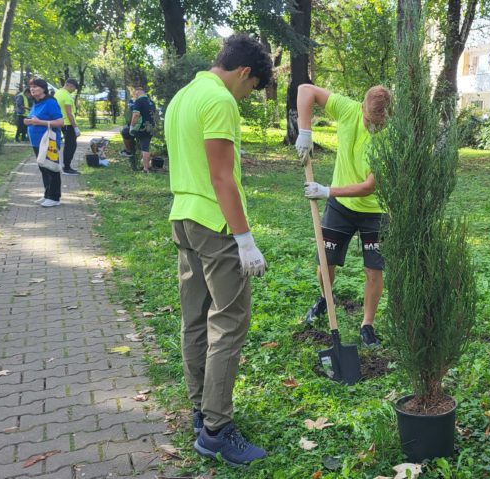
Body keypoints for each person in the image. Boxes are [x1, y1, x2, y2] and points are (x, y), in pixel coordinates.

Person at [166, 34, 273, 467]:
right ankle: (216, 430)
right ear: (244, 72)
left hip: (183, 217)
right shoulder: (219, 100)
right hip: (215, 224)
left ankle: (201, 411)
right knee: (229, 322)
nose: (247, 97)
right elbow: (222, 177)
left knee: (194, 320)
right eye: (252, 88)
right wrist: (244, 240)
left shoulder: (183, 96)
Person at [295, 84, 392, 347]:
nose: (375, 128)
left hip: (375, 210)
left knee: (374, 270)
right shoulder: (347, 109)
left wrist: (327, 191)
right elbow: (305, 90)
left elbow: (370, 186)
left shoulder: (391, 136)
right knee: (325, 263)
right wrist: (305, 132)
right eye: (371, 122)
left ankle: (367, 325)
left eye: (380, 123)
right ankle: (326, 299)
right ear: (362, 108)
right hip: (340, 206)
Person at [25, 78, 64, 207]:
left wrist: (38, 122)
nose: (32, 89)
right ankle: (47, 194)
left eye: (35, 87)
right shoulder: (36, 103)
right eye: (31, 87)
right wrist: (29, 121)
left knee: (51, 167)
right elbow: (36, 118)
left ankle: (54, 197)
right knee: (43, 168)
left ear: (43, 88)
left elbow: (60, 122)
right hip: (37, 142)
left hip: (49, 141)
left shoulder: (50, 102)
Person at [54, 79, 80, 175]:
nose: (74, 90)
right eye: (74, 88)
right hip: (68, 123)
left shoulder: (58, 93)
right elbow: (69, 113)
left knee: (68, 145)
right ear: (69, 85)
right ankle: (67, 167)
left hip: (60, 122)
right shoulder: (67, 97)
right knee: (71, 146)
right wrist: (75, 127)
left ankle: (65, 166)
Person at [127, 86, 156, 173]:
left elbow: (136, 115)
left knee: (144, 147)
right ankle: (144, 165)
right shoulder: (151, 102)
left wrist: (132, 126)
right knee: (145, 146)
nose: (135, 95)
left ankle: (145, 169)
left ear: (138, 92)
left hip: (142, 127)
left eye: (135, 93)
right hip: (151, 127)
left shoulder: (138, 101)